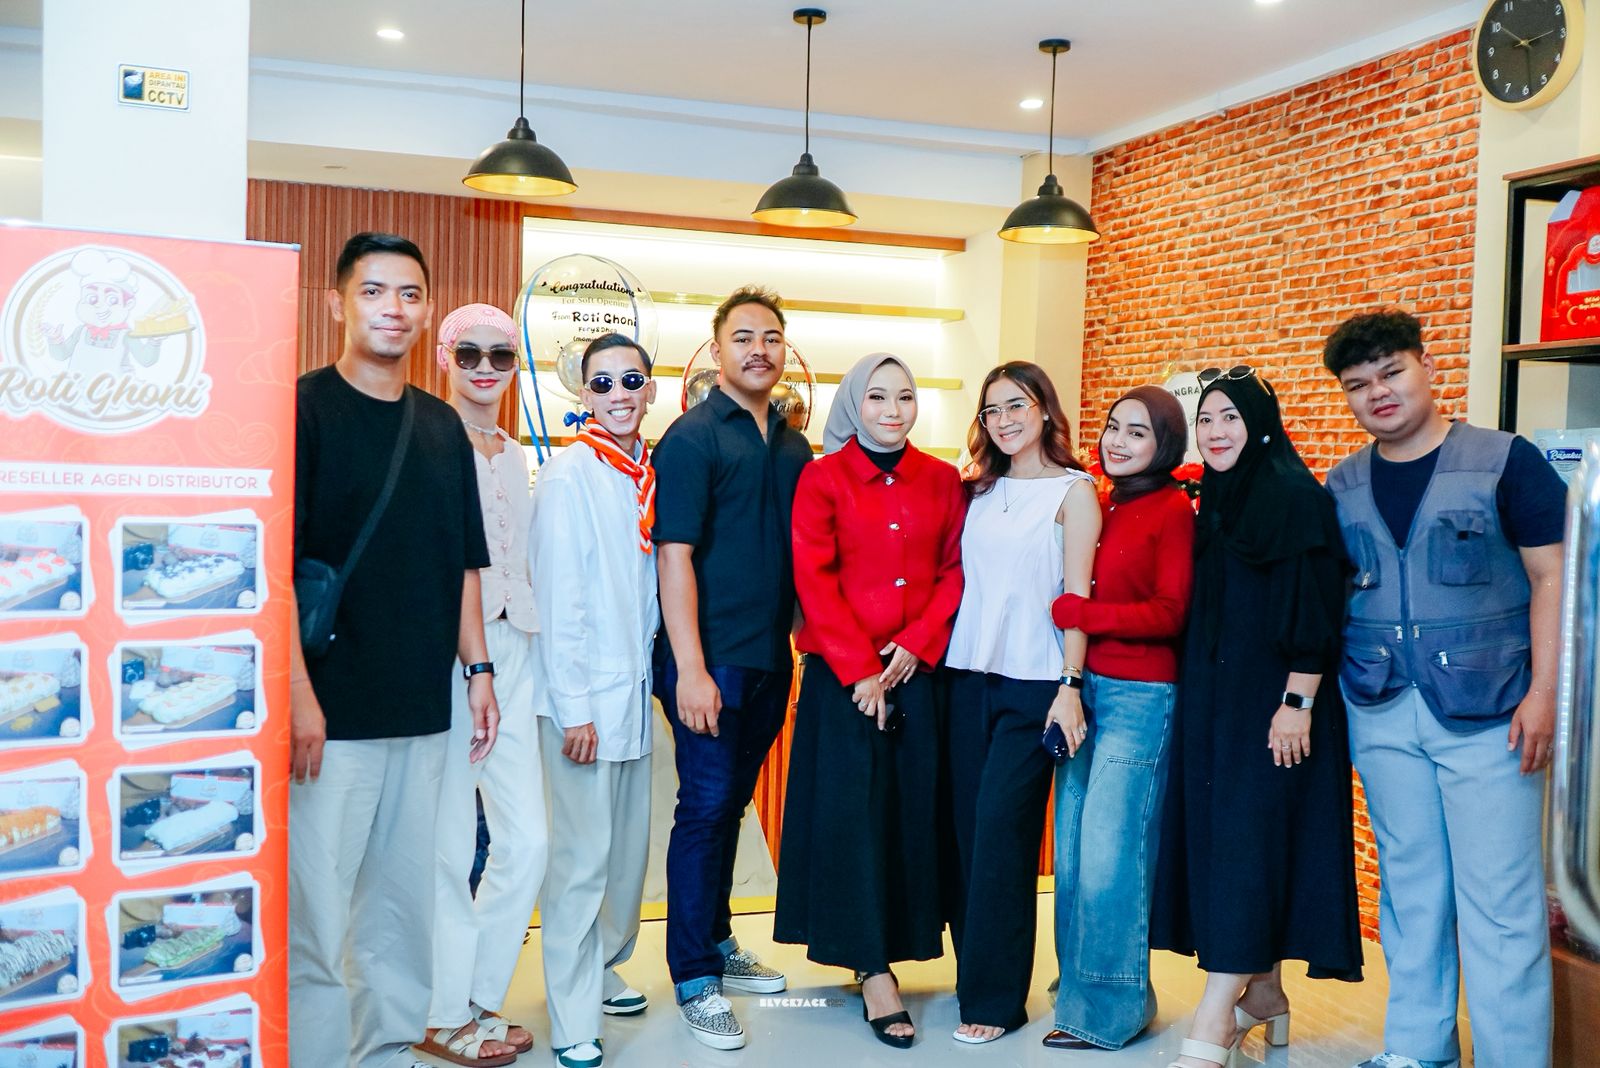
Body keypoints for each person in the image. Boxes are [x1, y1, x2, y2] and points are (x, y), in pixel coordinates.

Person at [1323, 310, 1564, 1068]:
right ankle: (1419, 1049)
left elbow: (1553, 577)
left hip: (1494, 712)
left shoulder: (1505, 460)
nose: (1378, 392)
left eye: (1391, 372)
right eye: (1358, 385)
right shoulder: (1342, 482)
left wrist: (1546, 694)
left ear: (1427, 367)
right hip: (1381, 708)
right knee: (1410, 892)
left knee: (1501, 904)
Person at [289, 233, 499, 1068]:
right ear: (337, 303)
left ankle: (385, 1053)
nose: (393, 309)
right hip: (329, 717)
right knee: (315, 914)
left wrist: (479, 670)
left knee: (401, 911)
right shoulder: (301, 410)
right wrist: (299, 698)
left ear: (426, 311)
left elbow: (464, 562)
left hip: (423, 708)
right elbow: (272, 570)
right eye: (374, 291)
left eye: (410, 294)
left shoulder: (441, 426)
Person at [1150, 367, 1363, 1068]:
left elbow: (1316, 611)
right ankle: (1265, 993)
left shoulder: (1293, 499)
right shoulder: (1217, 499)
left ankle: (1216, 1017)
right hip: (1218, 705)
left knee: (1246, 849)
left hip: (1277, 707)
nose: (1216, 432)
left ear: (1261, 425)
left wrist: (1297, 704)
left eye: (1231, 418)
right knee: (1233, 846)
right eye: (1206, 419)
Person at [773, 352, 967, 1050]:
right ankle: (872, 970)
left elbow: (954, 570)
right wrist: (861, 671)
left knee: (910, 817)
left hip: (918, 673)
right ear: (855, 405)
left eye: (905, 396)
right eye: (878, 397)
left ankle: (904, 946)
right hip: (843, 677)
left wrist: (917, 642)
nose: (892, 409)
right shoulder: (823, 478)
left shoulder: (942, 480)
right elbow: (813, 576)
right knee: (853, 821)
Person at [651, 286, 813, 1050]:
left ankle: (715, 941)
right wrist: (690, 668)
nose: (759, 349)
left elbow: (800, 558)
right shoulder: (690, 438)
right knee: (706, 808)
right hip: (708, 662)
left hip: (770, 661)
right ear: (716, 352)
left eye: (771, 337)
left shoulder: (793, 446)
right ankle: (693, 977)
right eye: (743, 337)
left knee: (732, 807)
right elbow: (673, 556)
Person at [943, 361, 1101, 1045]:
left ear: (1043, 409)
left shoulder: (1074, 492)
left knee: (1002, 838)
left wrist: (1070, 686)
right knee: (964, 838)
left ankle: (997, 1000)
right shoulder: (975, 489)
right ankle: (972, 978)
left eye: (1017, 405)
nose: (1004, 420)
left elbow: (1078, 600)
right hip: (962, 678)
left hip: (1035, 684)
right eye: (992, 410)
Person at [1044, 385, 1195, 1052]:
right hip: (1085, 689)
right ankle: (1079, 985)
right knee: (1073, 849)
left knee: (1112, 853)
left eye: (1138, 432)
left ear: (1165, 444)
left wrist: (1084, 614)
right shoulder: (1102, 503)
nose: (1118, 441)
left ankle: (1110, 1010)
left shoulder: (1172, 509)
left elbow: (1170, 612)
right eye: (1113, 427)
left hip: (1140, 697)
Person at [419, 304, 546, 1067]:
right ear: (445, 356)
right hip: (450, 656)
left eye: (501, 354)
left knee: (527, 840)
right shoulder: (428, 439)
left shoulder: (515, 451)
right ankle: (440, 1013)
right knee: (447, 841)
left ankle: (474, 995)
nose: (486, 367)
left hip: (518, 648)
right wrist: (474, 665)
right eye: (470, 352)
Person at [531, 333, 661, 1068]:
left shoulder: (645, 474)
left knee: (624, 859)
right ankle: (572, 1012)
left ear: (650, 390)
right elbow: (560, 601)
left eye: (630, 381)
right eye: (602, 383)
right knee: (581, 864)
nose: (618, 395)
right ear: (584, 395)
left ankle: (604, 967)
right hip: (583, 705)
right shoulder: (567, 476)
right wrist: (573, 705)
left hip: (633, 698)